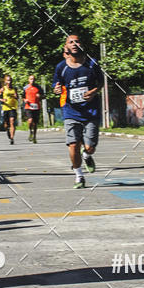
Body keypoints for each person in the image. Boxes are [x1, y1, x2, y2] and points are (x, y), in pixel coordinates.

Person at [53, 33, 103, 188]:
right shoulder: (61, 67)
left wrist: (94, 92)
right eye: (70, 42)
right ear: (66, 47)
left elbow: (100, 83)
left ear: (82, 45)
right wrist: (56, 89)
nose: (74, 44)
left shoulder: (92, 64)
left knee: (90, 146)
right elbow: (57, 84)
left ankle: (87, 155)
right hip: (71, 111)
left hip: (91, 111)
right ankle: (79, 176)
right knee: (73, 144)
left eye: (77, 41)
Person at [0, 74, 18, 144]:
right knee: (6, 124)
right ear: (5, 81)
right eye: (8, 80)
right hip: (5, 108)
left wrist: (16, 96)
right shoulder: (3, 89)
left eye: (10, 80)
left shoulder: (14, 89)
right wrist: (2, 100)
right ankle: (8, 130)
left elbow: (17, 97)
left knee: (12, 121)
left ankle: (12, 138)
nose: (9, 82)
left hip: (13, 107)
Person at [22, 75, 43, 143]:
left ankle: (34, 137)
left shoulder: (38, 87)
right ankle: (30, 131)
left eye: (33, 79)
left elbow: (44, 96)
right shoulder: (25, 88)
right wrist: (25, 100)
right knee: (30, 121)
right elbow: (23, 97)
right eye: (31, 79)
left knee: (35, 123)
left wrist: (40, 96)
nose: (32, 80)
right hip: (28, 106)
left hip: (36, 107)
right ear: (28, 80)